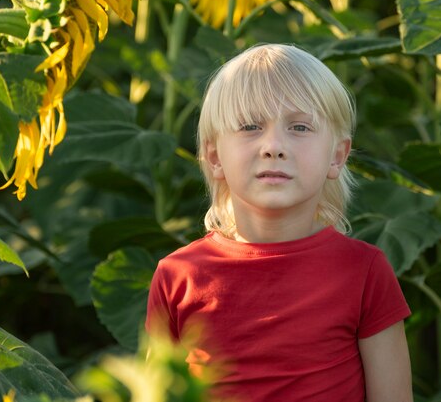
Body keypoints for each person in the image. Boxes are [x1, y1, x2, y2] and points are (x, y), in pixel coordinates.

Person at [146, 43, 412, 402]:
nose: (273, 146)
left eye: (299, 127)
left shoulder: (364, 272)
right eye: (250, 126)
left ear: (337, 156)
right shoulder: (178, 276)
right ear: (214, 157)